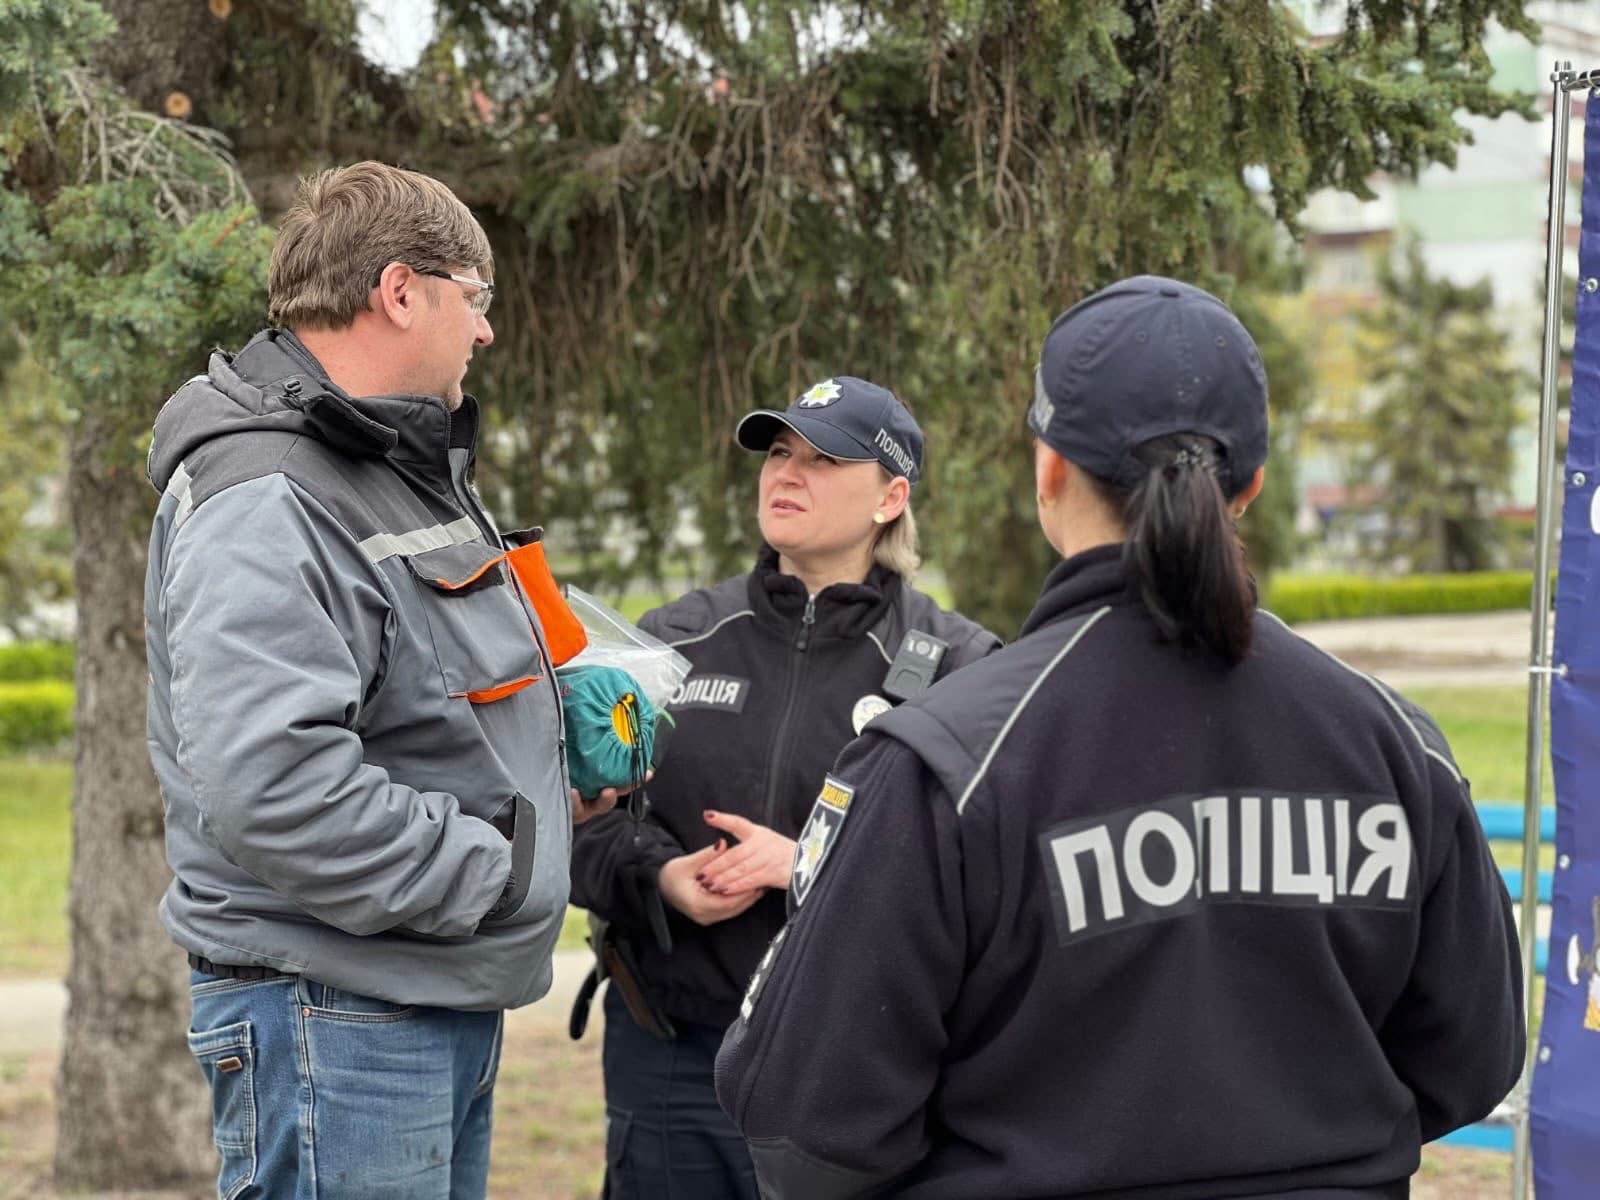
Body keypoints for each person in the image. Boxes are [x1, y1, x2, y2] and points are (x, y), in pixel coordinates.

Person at [714, 277, 1527, 1198]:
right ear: (1251, 486)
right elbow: (1472, 1058)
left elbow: (807, 1127)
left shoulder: (948, 762)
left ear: (1049, 471)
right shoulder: (1394, 744)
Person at [144, 161, 615, 1199]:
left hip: (413, 996)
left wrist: (552, 770)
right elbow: (275, 784)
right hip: (338, 1015)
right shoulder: (270, 493)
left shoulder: (379, 465)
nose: (485, 330)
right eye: (475, 297)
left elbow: (417, 700)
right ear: (401, 291)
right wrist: (495, 870)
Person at [569, 376, 1001, 1199]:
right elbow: (583, 818)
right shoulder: (671, 643)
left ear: (891, 498)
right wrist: (661, 877)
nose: (787, 474)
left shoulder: (961, 667)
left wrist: (807, 861)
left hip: (859, 1071)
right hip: (674, 1059)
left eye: (825, 459)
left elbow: (983, 876)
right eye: (777, 452)